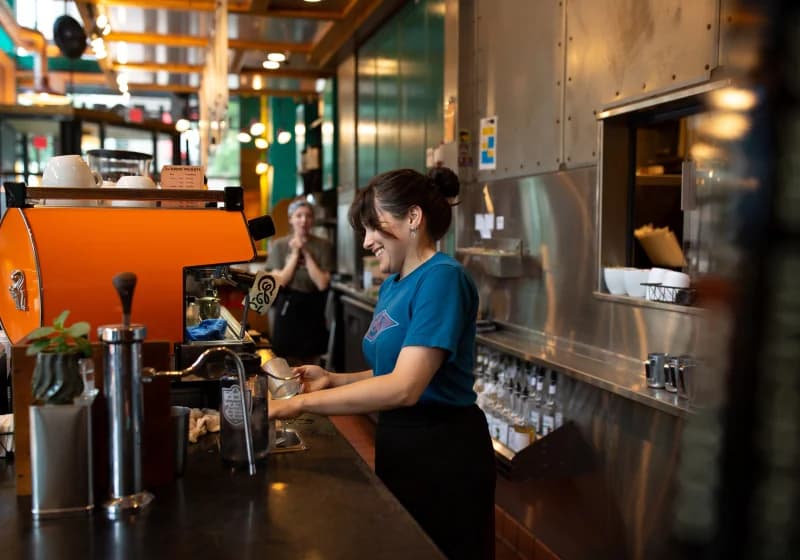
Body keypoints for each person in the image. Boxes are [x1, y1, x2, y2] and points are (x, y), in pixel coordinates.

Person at [269, 168, 496, 560]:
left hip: (444, 452)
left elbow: (405, 387)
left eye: (374, 227)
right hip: (400, 442)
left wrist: (298, 404)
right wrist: (332, 379)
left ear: (413, 217)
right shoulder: (393, 284)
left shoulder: (442, 278)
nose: (367, 241)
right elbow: (394, 370)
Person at [265, 198, 334, 365]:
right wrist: (295, 255)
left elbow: (322, 284)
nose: (304, 220)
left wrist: (307, 254)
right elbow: (281, 281)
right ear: (291, 219)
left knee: (312, 362)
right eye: (299, 215)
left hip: (313, 309)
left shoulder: (324, 245)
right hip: (287, 308)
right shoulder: (279, 245)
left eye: (308, 216)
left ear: (313, 219)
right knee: (285, 361)